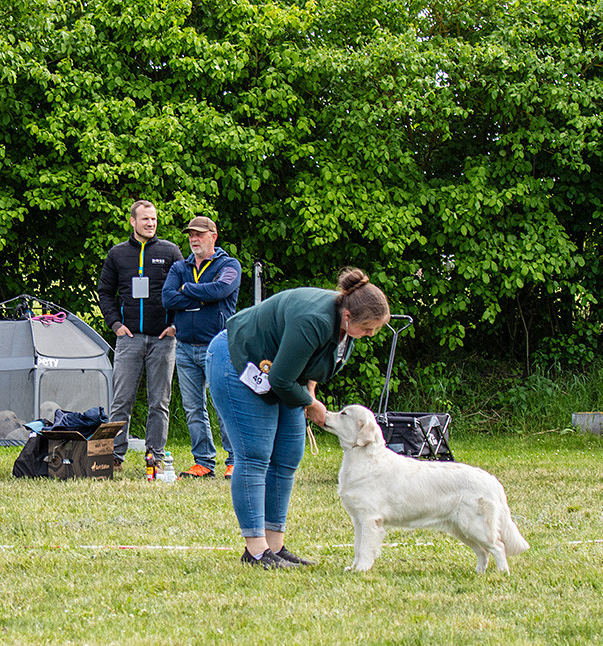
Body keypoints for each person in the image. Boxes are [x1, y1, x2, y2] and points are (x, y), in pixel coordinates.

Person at [206, 268, 390, 569]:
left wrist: (310, 390)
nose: (371, 335)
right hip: (239, 360)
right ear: (347, 317)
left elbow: (311, 363)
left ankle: (274, 547)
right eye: (368, 328)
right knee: (254, 455)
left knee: (289, 454)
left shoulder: (344, 324)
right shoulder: (314, 320)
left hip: (279, 375)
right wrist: (312, 405)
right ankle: (255, 551)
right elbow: (280, 379)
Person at [97, 199, 183, 470]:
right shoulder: (118, 254)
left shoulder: (170, 252)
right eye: (145, 219)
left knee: (160, 401)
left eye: (154, 219)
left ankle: (155, 456)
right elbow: (104, 292)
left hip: (163, 339)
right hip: (129, 338)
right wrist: (115, 324)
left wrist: (175, 325)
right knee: (121, 400)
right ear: (132, 222)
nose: (151, 223)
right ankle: (114, 456)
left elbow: (186, 289)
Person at [161, 216, 241, 479]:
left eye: (199, 234)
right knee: (194, 408)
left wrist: (188, 290)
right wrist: (200, 296)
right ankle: (204, 462)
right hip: (184, 346)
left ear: (213, 236)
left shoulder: (229, 265)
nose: (194, 239)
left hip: (218, 346)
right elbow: (168, 297)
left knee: (224, 405)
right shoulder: (179, 267)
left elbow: (220, 290)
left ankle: (235, 461)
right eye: (190, 235)